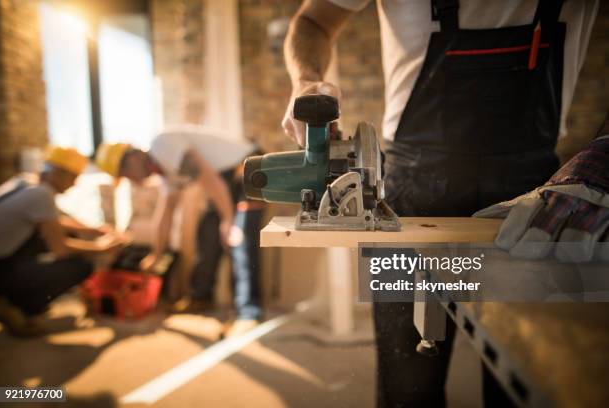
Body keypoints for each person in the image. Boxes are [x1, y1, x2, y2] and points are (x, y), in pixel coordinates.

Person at [282, 0, 601, 406]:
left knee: (522, 377)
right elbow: (313, 19)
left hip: (535, 193)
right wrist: (306, 81)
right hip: (412, 197)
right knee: (407, 388)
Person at [96, 126, 265, 335]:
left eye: (125, 175)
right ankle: (201, 298)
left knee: (240, 240)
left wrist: (228, 220)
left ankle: (248, 313)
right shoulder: (166, 173)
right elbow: (165, 213)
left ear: (131, 160)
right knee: (208, 235)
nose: (131, 181)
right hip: (223, 181)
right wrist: (156, 254)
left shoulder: (162, 145)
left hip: (247, 169)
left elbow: (208, 177)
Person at [0, 146, 124, 336]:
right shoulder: (42, 195)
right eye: (73, 177)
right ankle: (19, 307)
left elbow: (51, 222)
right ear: (59, 172)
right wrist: (101, 248)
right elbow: (60, 249)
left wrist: (93, 229)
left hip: (3, 260)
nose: (74, 184)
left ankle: (12, 297)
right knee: (81, 265)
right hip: (1, 270)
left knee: (46, 238)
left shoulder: (26, 182)